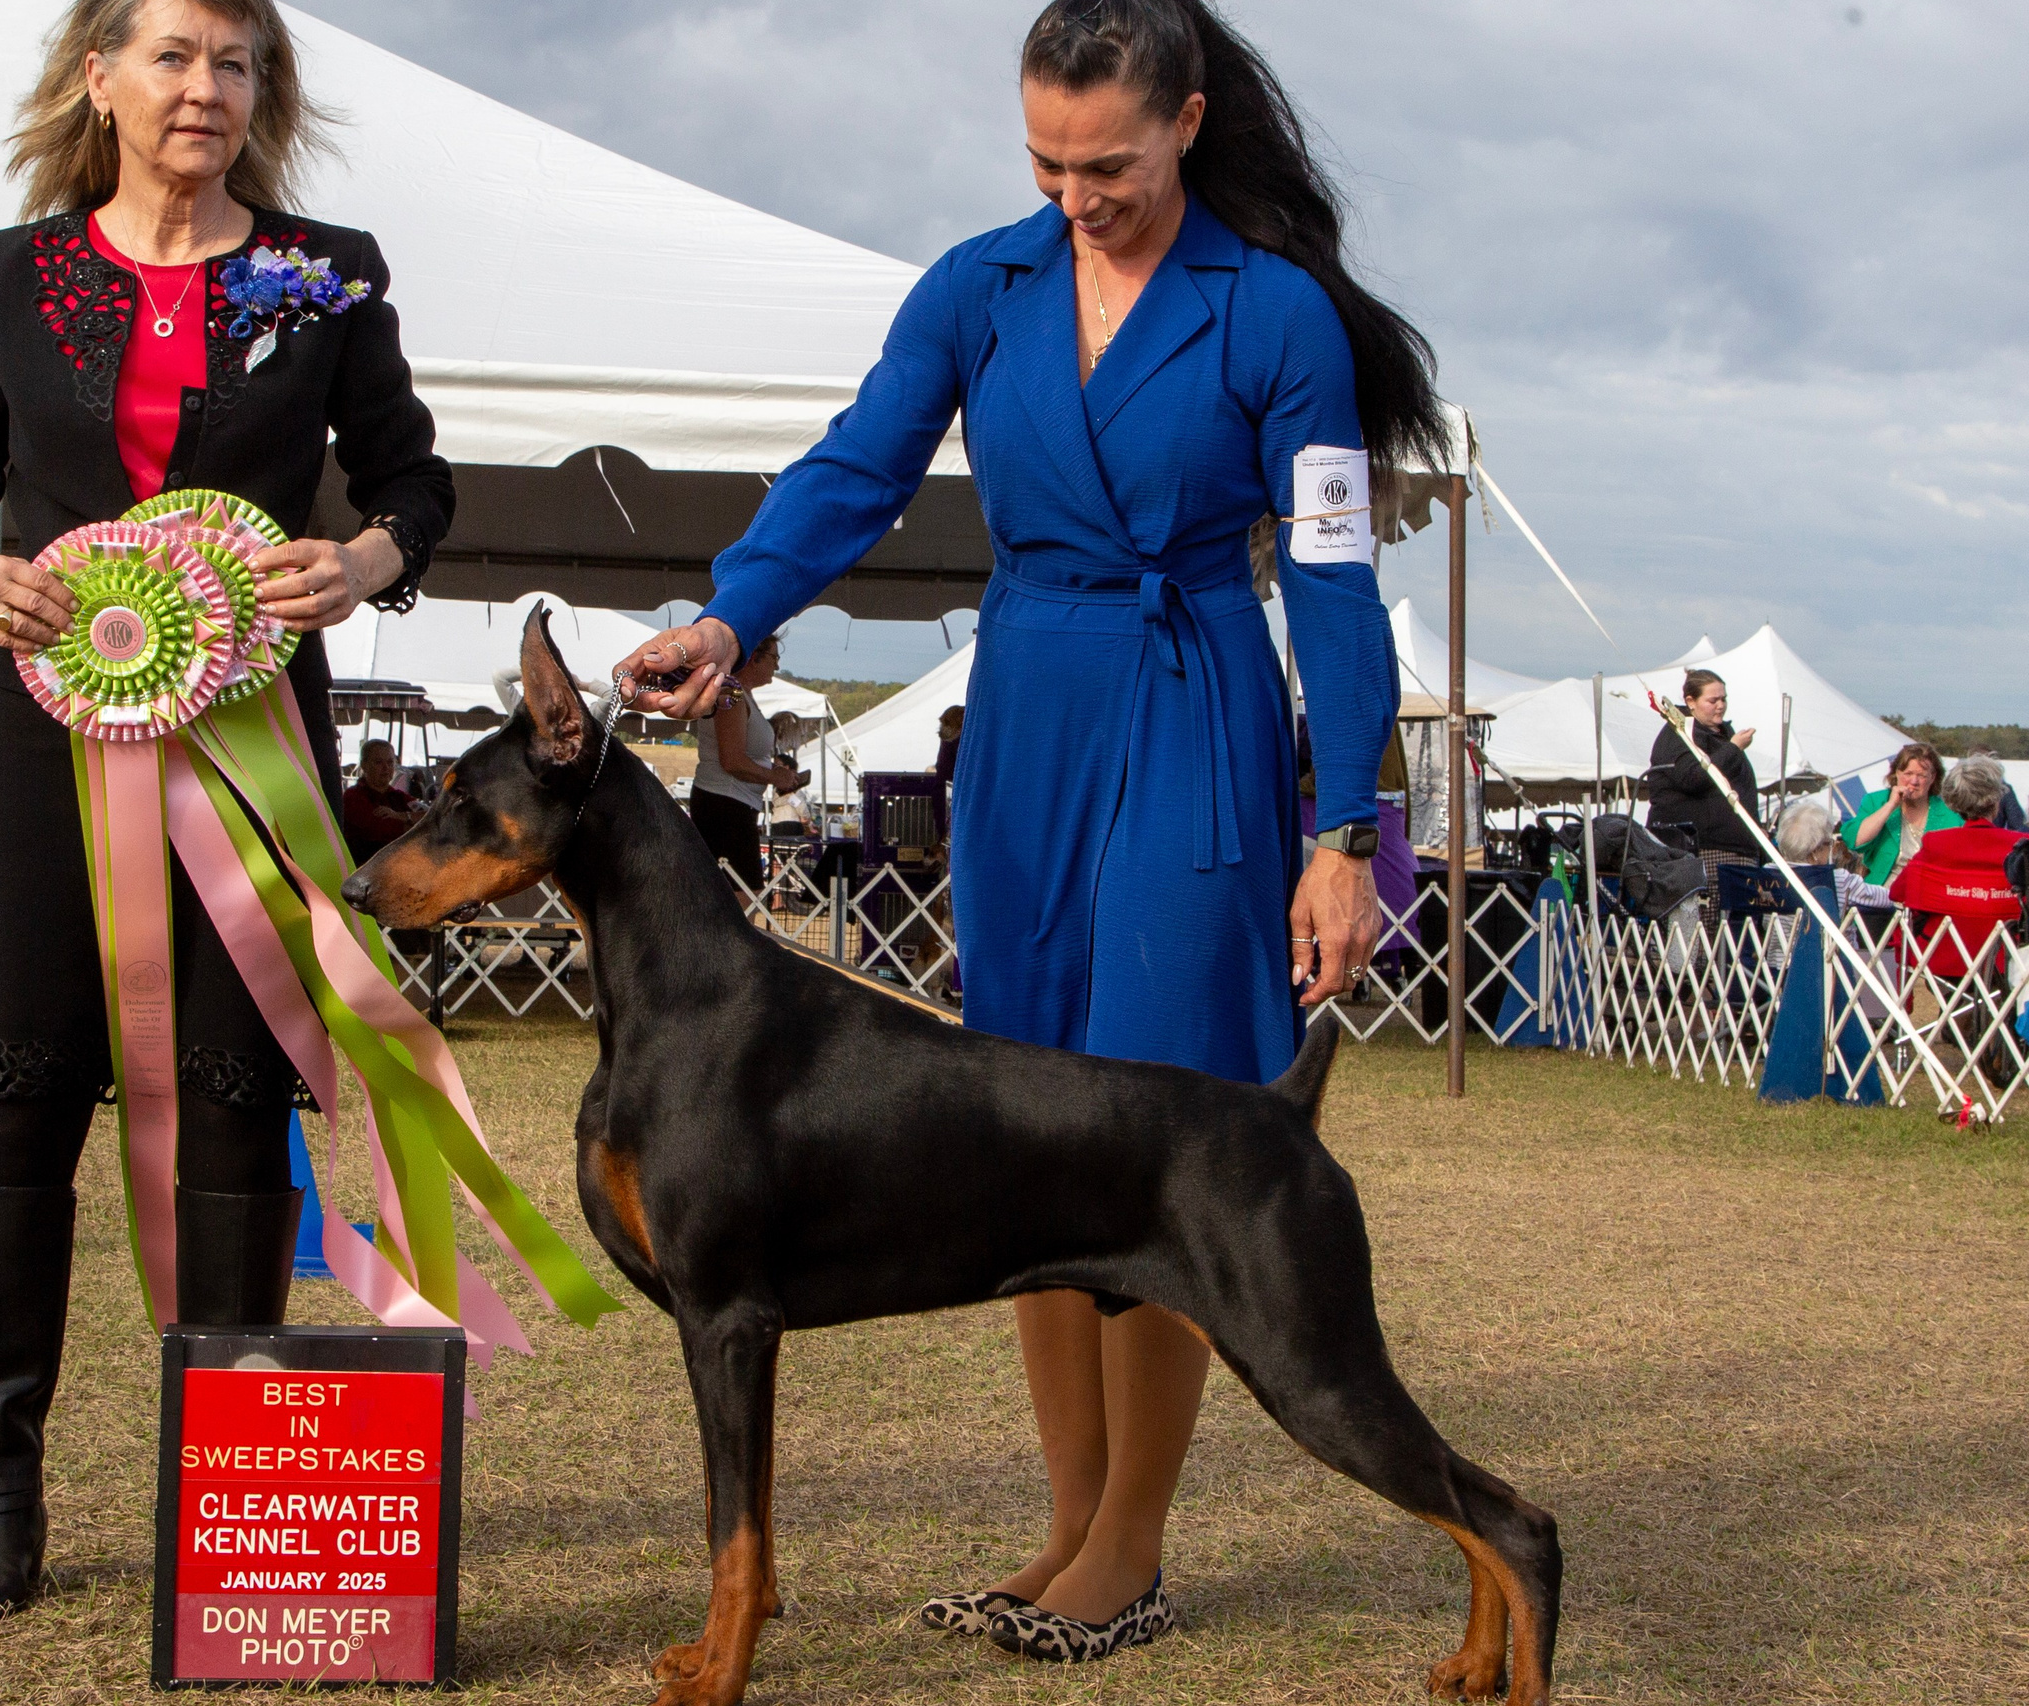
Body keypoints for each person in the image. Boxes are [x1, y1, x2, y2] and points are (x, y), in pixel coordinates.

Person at [614, 0, 1421, 1660]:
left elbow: (1335, 584)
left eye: (1108, 164)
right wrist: (732, 611)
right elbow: (857, 470)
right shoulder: (975, 287)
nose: (1075, 195)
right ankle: (1064, 1522)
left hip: (1195, 692)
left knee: (1154, 1129)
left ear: (1188, 123)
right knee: (1024, 1127)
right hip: (1029, 703)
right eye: (1046, 161)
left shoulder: (1274, 317)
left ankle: (1128, 1546)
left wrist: (1346, 824)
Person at [0, 0, 452, 1619]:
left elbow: (418, 485)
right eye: (175, 56)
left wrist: (356, 563)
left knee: (230, 1098)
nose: (207, 88)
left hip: (250, 742)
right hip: (42, 745)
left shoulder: (326, 269)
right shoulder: (7, 273)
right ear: (101, 78)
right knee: (18, 1106)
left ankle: (233, 1482)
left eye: (236, 61)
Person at [1887, 754, 2025, 984]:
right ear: (1996, 800)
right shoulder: (2020, 845)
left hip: (1943, 959)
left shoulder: (1936, 844)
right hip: (2009, 959)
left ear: (1954, 800)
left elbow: (1898, 893)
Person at [687, 634, 807, 896]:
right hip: (724, 806)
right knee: (742, 898)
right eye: (774, 658)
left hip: (732, 805)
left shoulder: (741, 694)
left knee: (739, 897)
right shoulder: (732, 694)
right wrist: (775, 777)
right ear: (753, 658)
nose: (776, 666)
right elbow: (731, 760)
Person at [1645, 670, 1761, 900]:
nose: (1720, 706)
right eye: (1712, 700)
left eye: (1723, 699)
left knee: (1738, 930)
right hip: (1705, 850)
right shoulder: (1678, 735)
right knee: (1709, 931)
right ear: (1691, 702)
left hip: (1741, 849)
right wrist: (1733, 749)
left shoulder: (1724, 735)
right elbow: (1693, 778)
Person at [1844, 742, 1960, 886]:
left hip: (1930, 893)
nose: (1914, 781)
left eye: (1922, 775)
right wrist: (1891, 805)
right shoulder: (1876, 801)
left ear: (1933, 777)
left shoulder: (1949, 811)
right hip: (1882, 894)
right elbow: (1855, 841)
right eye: (1908, 774)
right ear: (1896, 773)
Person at [1776, 799, 1891, 914]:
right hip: (1825, 932)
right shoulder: (1839, 879)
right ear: (1816, 850)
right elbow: (1889, 897)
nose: (1831, 848)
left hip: (1775, 932)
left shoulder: (1769, 872)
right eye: (1829, 843)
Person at [342, 737, 425, 863]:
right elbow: (379, 830)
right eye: (378, 762)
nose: (386, 768)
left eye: (390, 762)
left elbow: (432, 815)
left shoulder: (398, 796)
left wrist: (401, 816)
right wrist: (414, 825)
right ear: (364, 765)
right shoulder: (352, 797)